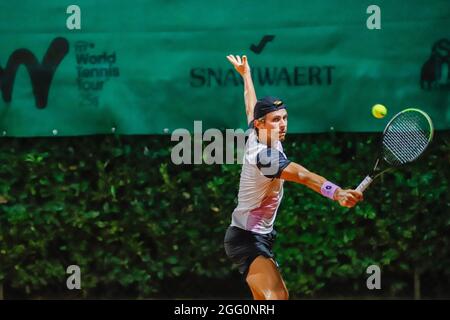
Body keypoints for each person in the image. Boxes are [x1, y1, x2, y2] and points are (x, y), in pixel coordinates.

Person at [224, 54, 363, 300]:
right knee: (277, 299)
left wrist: (246, 75)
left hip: (259, 237)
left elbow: (250, 105)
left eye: (285, 118)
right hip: (246, 238)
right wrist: (337, 192)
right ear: (261, 124)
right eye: (276, 120)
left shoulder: (257, 132)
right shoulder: (264, 157)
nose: (283, 124)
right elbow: (303, 175)